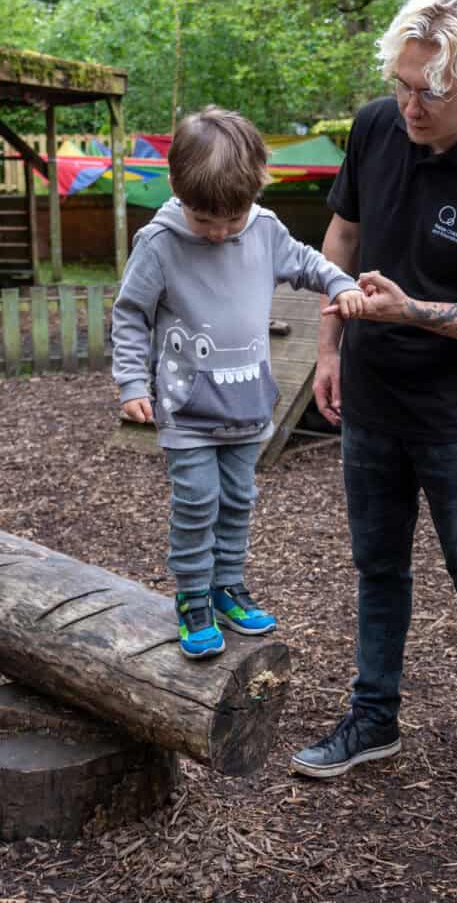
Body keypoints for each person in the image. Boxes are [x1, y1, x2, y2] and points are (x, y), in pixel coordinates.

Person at [291, 0, 457, 839]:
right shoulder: (375, 127)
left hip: (454, 418)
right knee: (377, 567)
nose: (408, 106)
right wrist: (329, 348)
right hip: (371, 400)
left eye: (428, 92)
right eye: (401, 84)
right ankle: (374, 719)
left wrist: (411, 312)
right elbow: (341, 237)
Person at [112, 106, 363, 660]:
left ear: (254, 193)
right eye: (206, 219)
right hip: (187, 409)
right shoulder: (160, 243)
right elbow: (130, 315)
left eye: (233, 217)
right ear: (178, 188)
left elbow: (308, 263)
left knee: (238, 500)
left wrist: (340, 283)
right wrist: (131, 383)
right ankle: (193, 597)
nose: (221, 231)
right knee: (197, 501)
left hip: (248, 405)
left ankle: (227, 587)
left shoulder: (263, 230)